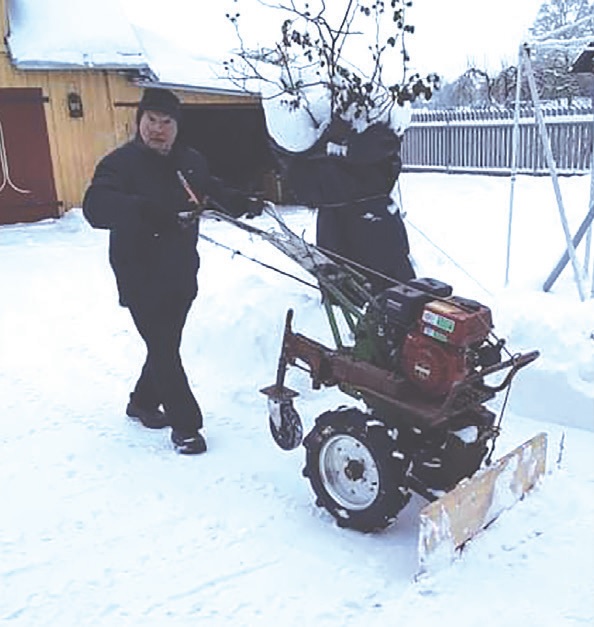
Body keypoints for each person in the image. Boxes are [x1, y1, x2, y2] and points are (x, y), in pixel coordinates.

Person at [83, 87, 264, 455]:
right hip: (139, 272)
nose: (158, 129)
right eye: (151, 120)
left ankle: (142, 402)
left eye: (166, 122)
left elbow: (207, 188)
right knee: (165, 348)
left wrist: (237, 200)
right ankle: (186, 426)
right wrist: (140, 209)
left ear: (178, 127)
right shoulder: (119, 164)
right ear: (139, 121)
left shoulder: (191, 160)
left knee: (165, 344)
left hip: (181, 270)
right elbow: (95, 206)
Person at [271, 117, 415, 293]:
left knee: (390, 286)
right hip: (364, 219)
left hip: (361, 221)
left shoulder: (317, 144)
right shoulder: (375, 131)